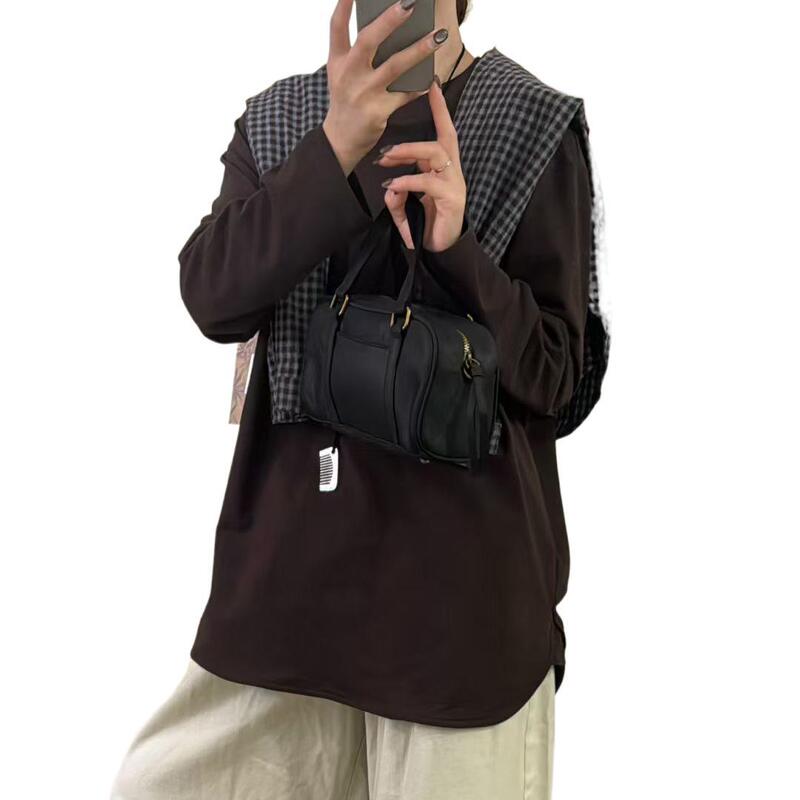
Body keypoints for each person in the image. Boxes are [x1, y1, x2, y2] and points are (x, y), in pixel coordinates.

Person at [109, 0, 606, 798]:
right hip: (285, 605)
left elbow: (556, 379)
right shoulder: (282, 118)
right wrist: (333, 151)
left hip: (460, 623)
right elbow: (213, 298)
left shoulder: (529, 121)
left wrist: (457, 251)